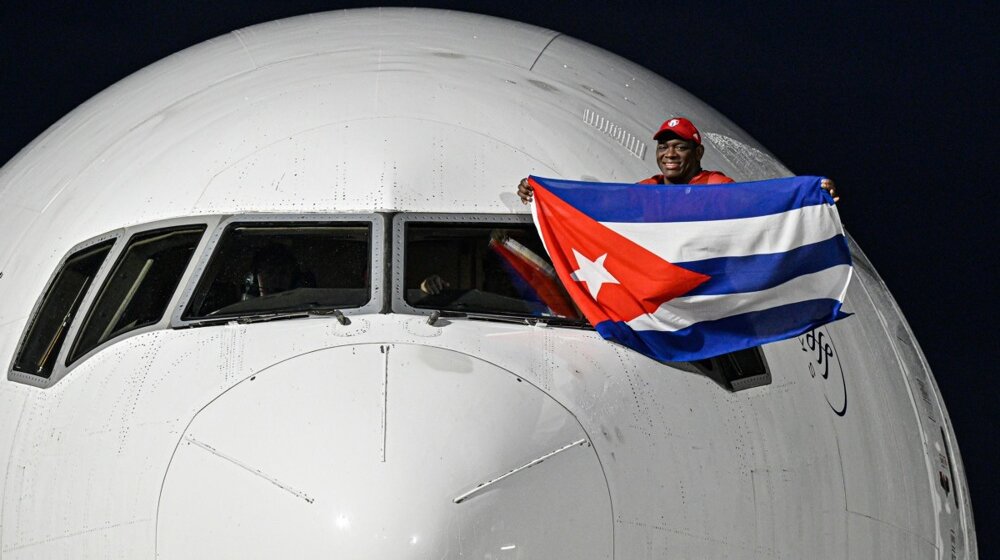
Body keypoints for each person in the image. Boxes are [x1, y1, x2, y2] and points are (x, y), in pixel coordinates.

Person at [517, 117, 838, 202]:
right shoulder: (649, 188)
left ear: (697, 153)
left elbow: (758, 201)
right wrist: (543, 194)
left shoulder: (714, 184)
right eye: (663, 146)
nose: (669, 154)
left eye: (680, 147)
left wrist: (809, 192)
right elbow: (601, 202)